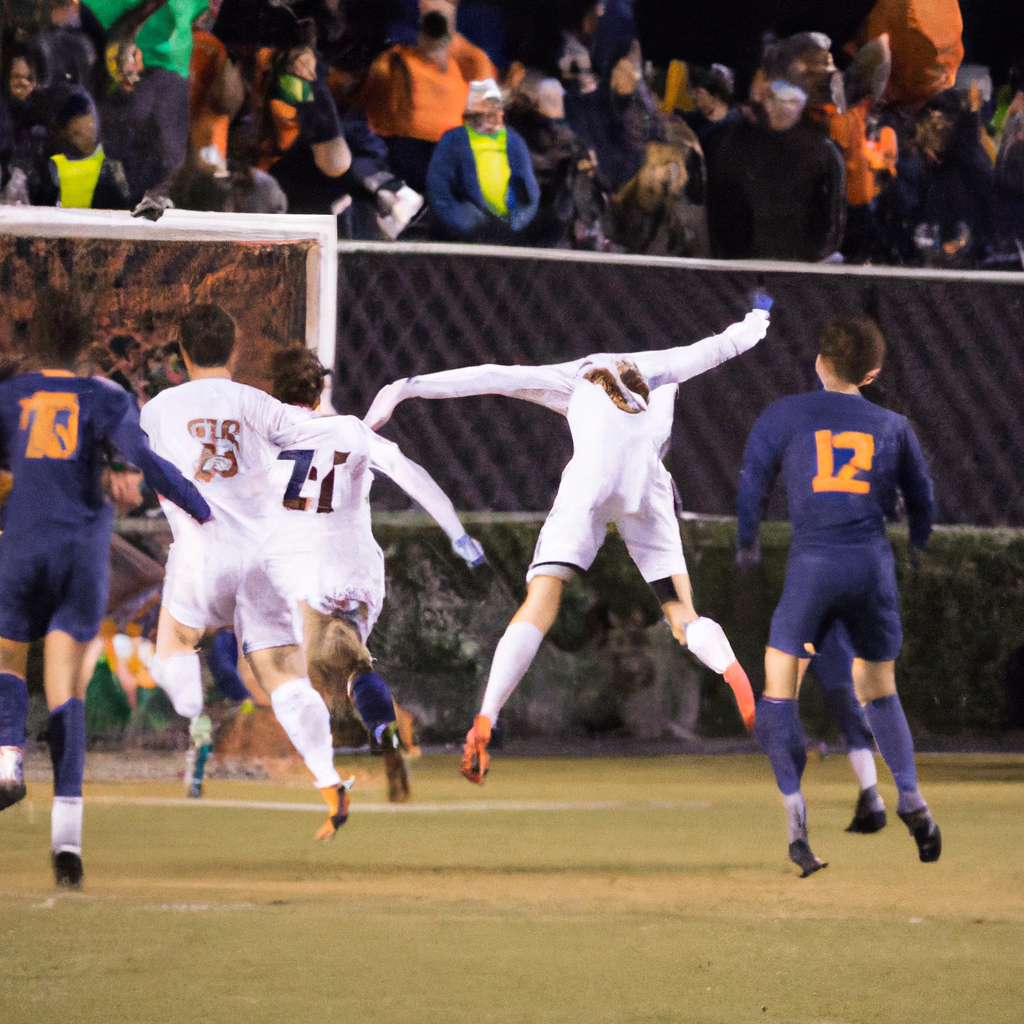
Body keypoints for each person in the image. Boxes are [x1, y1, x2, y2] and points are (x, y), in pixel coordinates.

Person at [365, 300, 772, 783]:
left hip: (592, 481)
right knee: (683, 617)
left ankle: (485, 719)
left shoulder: (570, 377)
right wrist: (755, 322)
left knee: (541, 600)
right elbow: (721, 346)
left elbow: (489, 375)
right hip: (648, 483)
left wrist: (403, 389)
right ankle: (736, 677)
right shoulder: (658, 368)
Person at [0, 288, 211, 889]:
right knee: (66, 686)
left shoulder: (9, 396)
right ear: (84, 345)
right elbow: (145, 461)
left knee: (9, 657)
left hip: (22, 544)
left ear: (30, 342)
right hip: (81, 555)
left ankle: (7, 763)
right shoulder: (105, 397)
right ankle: (67, 844)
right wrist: (200, 510)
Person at [138, 304, 363, 840]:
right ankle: (329, 780)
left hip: (201, 550)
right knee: (283, 675)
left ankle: (193, 709)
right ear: (235, 349)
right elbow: (314, 432)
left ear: (182, 352)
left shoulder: (158, 409)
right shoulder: (258, 403)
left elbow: (141, 461)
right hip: (264, 557)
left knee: (173, 642)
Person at [735, 315, 940, 877]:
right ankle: (911, 797)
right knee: (878, 689)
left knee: (780, 690)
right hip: (871, 566)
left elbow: (754, 478)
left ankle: (799, 831)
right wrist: (917, 547)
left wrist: (747, 543)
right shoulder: (893, 424)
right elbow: (922, 499)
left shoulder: (785, 414)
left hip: (814, 565)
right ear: (871, 373)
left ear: (818, 361)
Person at [263, 345, 484, 801]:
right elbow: (410, 473)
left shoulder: (264, 437)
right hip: (360, 568)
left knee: (315, 666)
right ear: (320, 387)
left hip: (307, 572)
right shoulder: (351, 431)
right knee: (355, 663)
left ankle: (328, 742)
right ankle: (383, 730)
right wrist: (460, 536)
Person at [426, 77, 539, 242]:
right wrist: (464, 221)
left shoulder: (513, 140)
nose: (486, 119)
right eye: (480, 114)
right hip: (467, 231)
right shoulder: (454, 139)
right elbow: (439, 187)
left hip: (508, 228)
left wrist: (519, 220)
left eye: (492, 113)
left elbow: (529, 187)